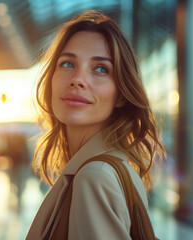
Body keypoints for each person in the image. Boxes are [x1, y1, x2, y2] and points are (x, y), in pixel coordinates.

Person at [26, 10, 166, 239]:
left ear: (121, 95)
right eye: (68, 64)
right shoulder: (112, 167)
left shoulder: (95, 177)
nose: (78, 79)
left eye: (101, 69)